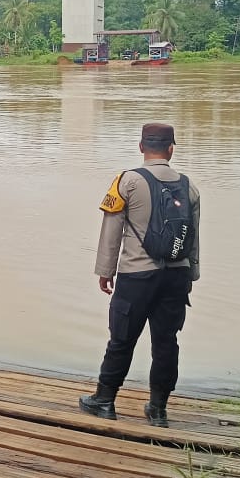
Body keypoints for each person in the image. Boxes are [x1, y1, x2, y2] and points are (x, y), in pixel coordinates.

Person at [78, 123, 200, 427]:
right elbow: (193, 239)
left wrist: (105, 271)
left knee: (121, 339)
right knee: (166, 341)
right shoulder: (190, 187)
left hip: (136, 276)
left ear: (141, 146)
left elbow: (112, 231)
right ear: (172, 148)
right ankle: (158, 409)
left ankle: (104, 401)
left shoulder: (127, 181)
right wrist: (191, 275)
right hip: (176, 277)